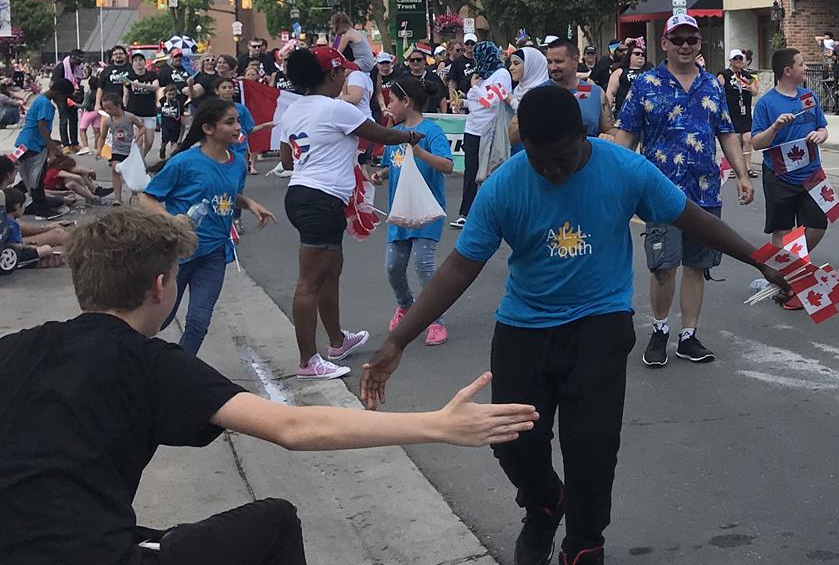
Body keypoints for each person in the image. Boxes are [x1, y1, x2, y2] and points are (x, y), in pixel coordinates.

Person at [359, 85, 789, 565]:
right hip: (523, 329)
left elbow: (690, 217)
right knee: (513, 445)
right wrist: (397, 339)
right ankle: (544, 503)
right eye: (541, 161)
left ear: (582, 136)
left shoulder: (625, 170)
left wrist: (760, 260)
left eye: (562, 158)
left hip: (598, 326)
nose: (553, 171)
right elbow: (460, 267)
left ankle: (584, 543)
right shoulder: (505, 185)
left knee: (592, 450)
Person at [0, 208, 538, 565]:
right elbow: (293, 426)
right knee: (275, 520)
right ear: (161, 288)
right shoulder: (149, 361)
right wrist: (439, 426)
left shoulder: (16, 346)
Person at [612, 14, 754, 365]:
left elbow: (726, 133)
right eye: (678, 40)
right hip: (660, 193)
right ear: (664, 44)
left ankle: (688, 335)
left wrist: (744, 175)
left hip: (705, 191)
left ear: (699, 44)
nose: (686, 45)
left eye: (691, 39)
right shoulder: (646, 85)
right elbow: (626, 136)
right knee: (663, 266)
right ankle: (660, 329)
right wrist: (613, 178)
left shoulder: (712, 85)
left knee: (697, 265)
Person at [279, 46, 427, 380]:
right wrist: (414, 135)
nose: (346, 79)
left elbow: (287, 161)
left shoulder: (292, 111)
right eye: (342, 73)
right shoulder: (336, 110)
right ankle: (308, 362)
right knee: (310, 281)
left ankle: (337, 341)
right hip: (321, 199)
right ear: (330, 75)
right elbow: (384, 135)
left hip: (303, 194)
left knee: (331, 270)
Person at [137, 98, 274, 355]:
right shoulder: (183, 162)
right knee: (160, 318)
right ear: (208, 129)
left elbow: (223, 195)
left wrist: (249, 204)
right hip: (178, 254)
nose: (238, 128)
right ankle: (134, 360)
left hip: (214, 254)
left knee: (199, 322)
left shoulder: (237, 163)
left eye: (239, 122)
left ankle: (179, 373)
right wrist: (171, 220)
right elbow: (147, 197)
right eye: (230, 122)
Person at [749, 45, 833, 312]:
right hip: (779, 175)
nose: (806, 67)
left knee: (818, 225)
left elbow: (822, 126)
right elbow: (756, 143)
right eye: (801, 64)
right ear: (787, 71)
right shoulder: (767, 103)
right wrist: (775, 128)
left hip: (812, 173)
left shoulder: (809, 97)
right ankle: (785, 283)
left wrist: (821, 134)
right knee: (782, 230)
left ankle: (791, 266)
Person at [373, 77, 454, 347]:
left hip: (427, 210)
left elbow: (446, 165)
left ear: (406, 102)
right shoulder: (394, 134)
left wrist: (419, 152)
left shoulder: (432, 132)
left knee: (423, 263)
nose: (388, 106)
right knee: (393, 266)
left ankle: (435, 320)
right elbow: (393, 164)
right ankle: (405, 305)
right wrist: (381, 175)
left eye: (392, 100)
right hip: (400, 211)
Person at [454, 41, 511, 228]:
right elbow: (476, 103)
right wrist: (462, 103)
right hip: (472, 128)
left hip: (489, 130)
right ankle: (466, 212)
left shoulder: (501, 74)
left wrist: (475, 87)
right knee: (471, 172)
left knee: (490, 171)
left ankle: (493, 212)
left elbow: (491, 102)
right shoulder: (480, 75)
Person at [15, 76, 71, 219]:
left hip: (25, 142)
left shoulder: (40, 99)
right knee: (37, 178)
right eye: (64, 97)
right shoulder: (46, 104)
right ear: (58, 93)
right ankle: (39, 207)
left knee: (29, 176)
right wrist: (53, 147)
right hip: (34, 144)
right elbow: (42, 127)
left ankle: (19, 200)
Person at [545, 39, 613, 137]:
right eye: (549, 62)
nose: (553, 67)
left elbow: (610, 129)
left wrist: (609, 136)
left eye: (558, 62)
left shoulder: (594, 92)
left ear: (575, 60)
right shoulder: (538, 93)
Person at [98, 93, 152, 205]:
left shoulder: (129, 117)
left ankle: (134, 193)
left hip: (130, 150)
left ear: (118, 105)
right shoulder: (108, 121)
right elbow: (102, 137)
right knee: (115, 170)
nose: (107, 111)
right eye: (105, 108)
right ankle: (118, 197)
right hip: (117, 150)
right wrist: (99, 150)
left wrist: (139, 135)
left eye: (109, 108)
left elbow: (142, 127)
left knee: (132, 171)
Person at [720, 49, 759, 177]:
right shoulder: (724, 74)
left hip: (744, 112)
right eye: (735, 59)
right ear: (730, 60)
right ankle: (732, 166)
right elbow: (717, 89)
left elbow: (755, 92)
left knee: (747, 139)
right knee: (733, 140)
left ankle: (747, 167)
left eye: (740, 59)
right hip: (731, 111)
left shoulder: (749, 75)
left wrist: (749, 86)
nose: (738, 61)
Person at [3, 188, 60, 267]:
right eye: (23, 206)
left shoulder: (4, 220)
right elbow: (15, 245)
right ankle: (28, 262)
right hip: (13, 254)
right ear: (18, 206)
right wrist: (28, 247)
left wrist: (27, 243)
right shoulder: (12, 223)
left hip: (9, 251)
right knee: (47, 249)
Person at [607, 41, 649, 124]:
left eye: (642, 54)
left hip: (646, 115)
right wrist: (608, 115)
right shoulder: (619, 72)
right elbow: (610, 93)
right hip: (624, 114)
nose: (640, 56)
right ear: (629, 56)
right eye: (637, 54)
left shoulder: (651, 73)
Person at [43, 154, 108, 206]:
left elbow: (78, 171)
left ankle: (92, 193)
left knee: (74, 178)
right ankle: (93, 198)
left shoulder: (54, 170)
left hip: (56, 190)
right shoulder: (56, 172)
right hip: (51, 193)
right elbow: (77, 177)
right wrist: (85, 189)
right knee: (73, 183)